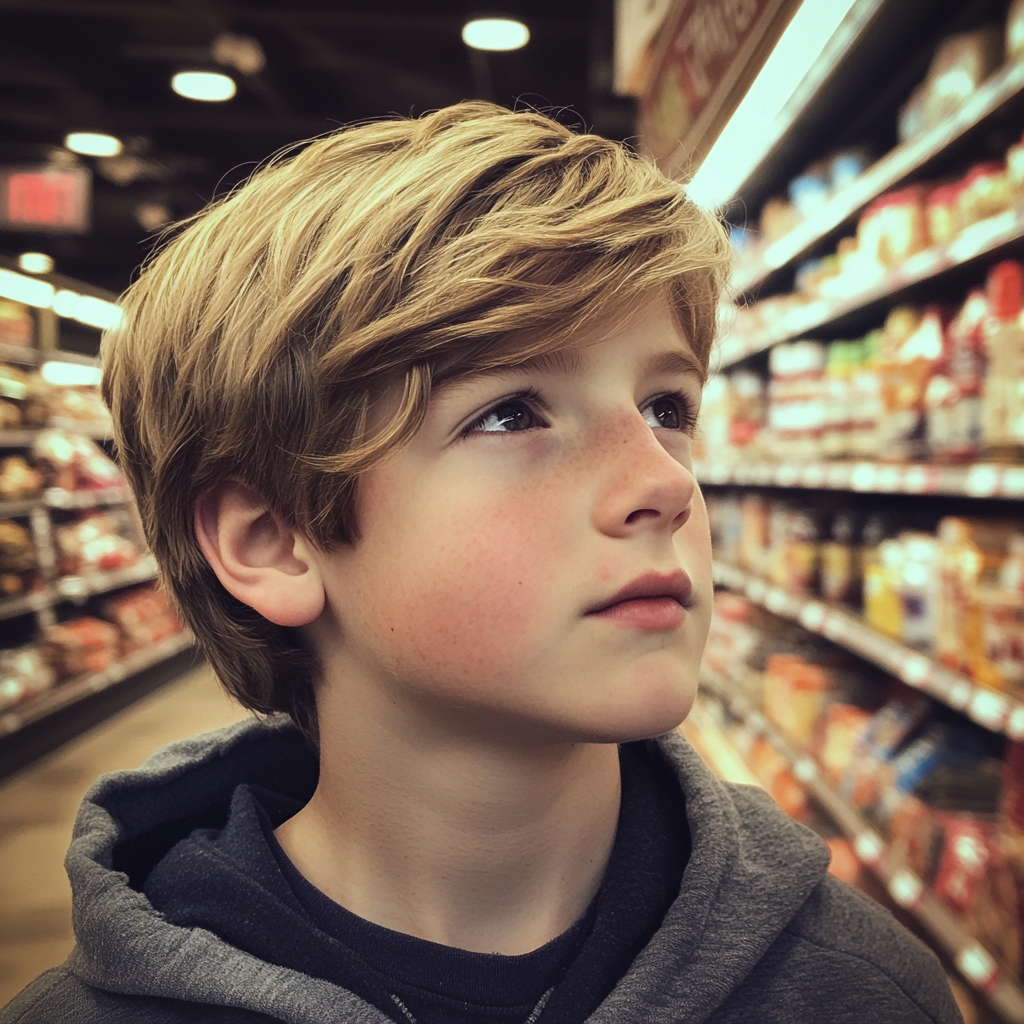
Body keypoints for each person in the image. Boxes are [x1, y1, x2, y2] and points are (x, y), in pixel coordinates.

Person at [2, 102, 962, 1024]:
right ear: (274, 542)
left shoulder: (867, 991)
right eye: (511, 413)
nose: (663, 483)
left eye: (667, 407)